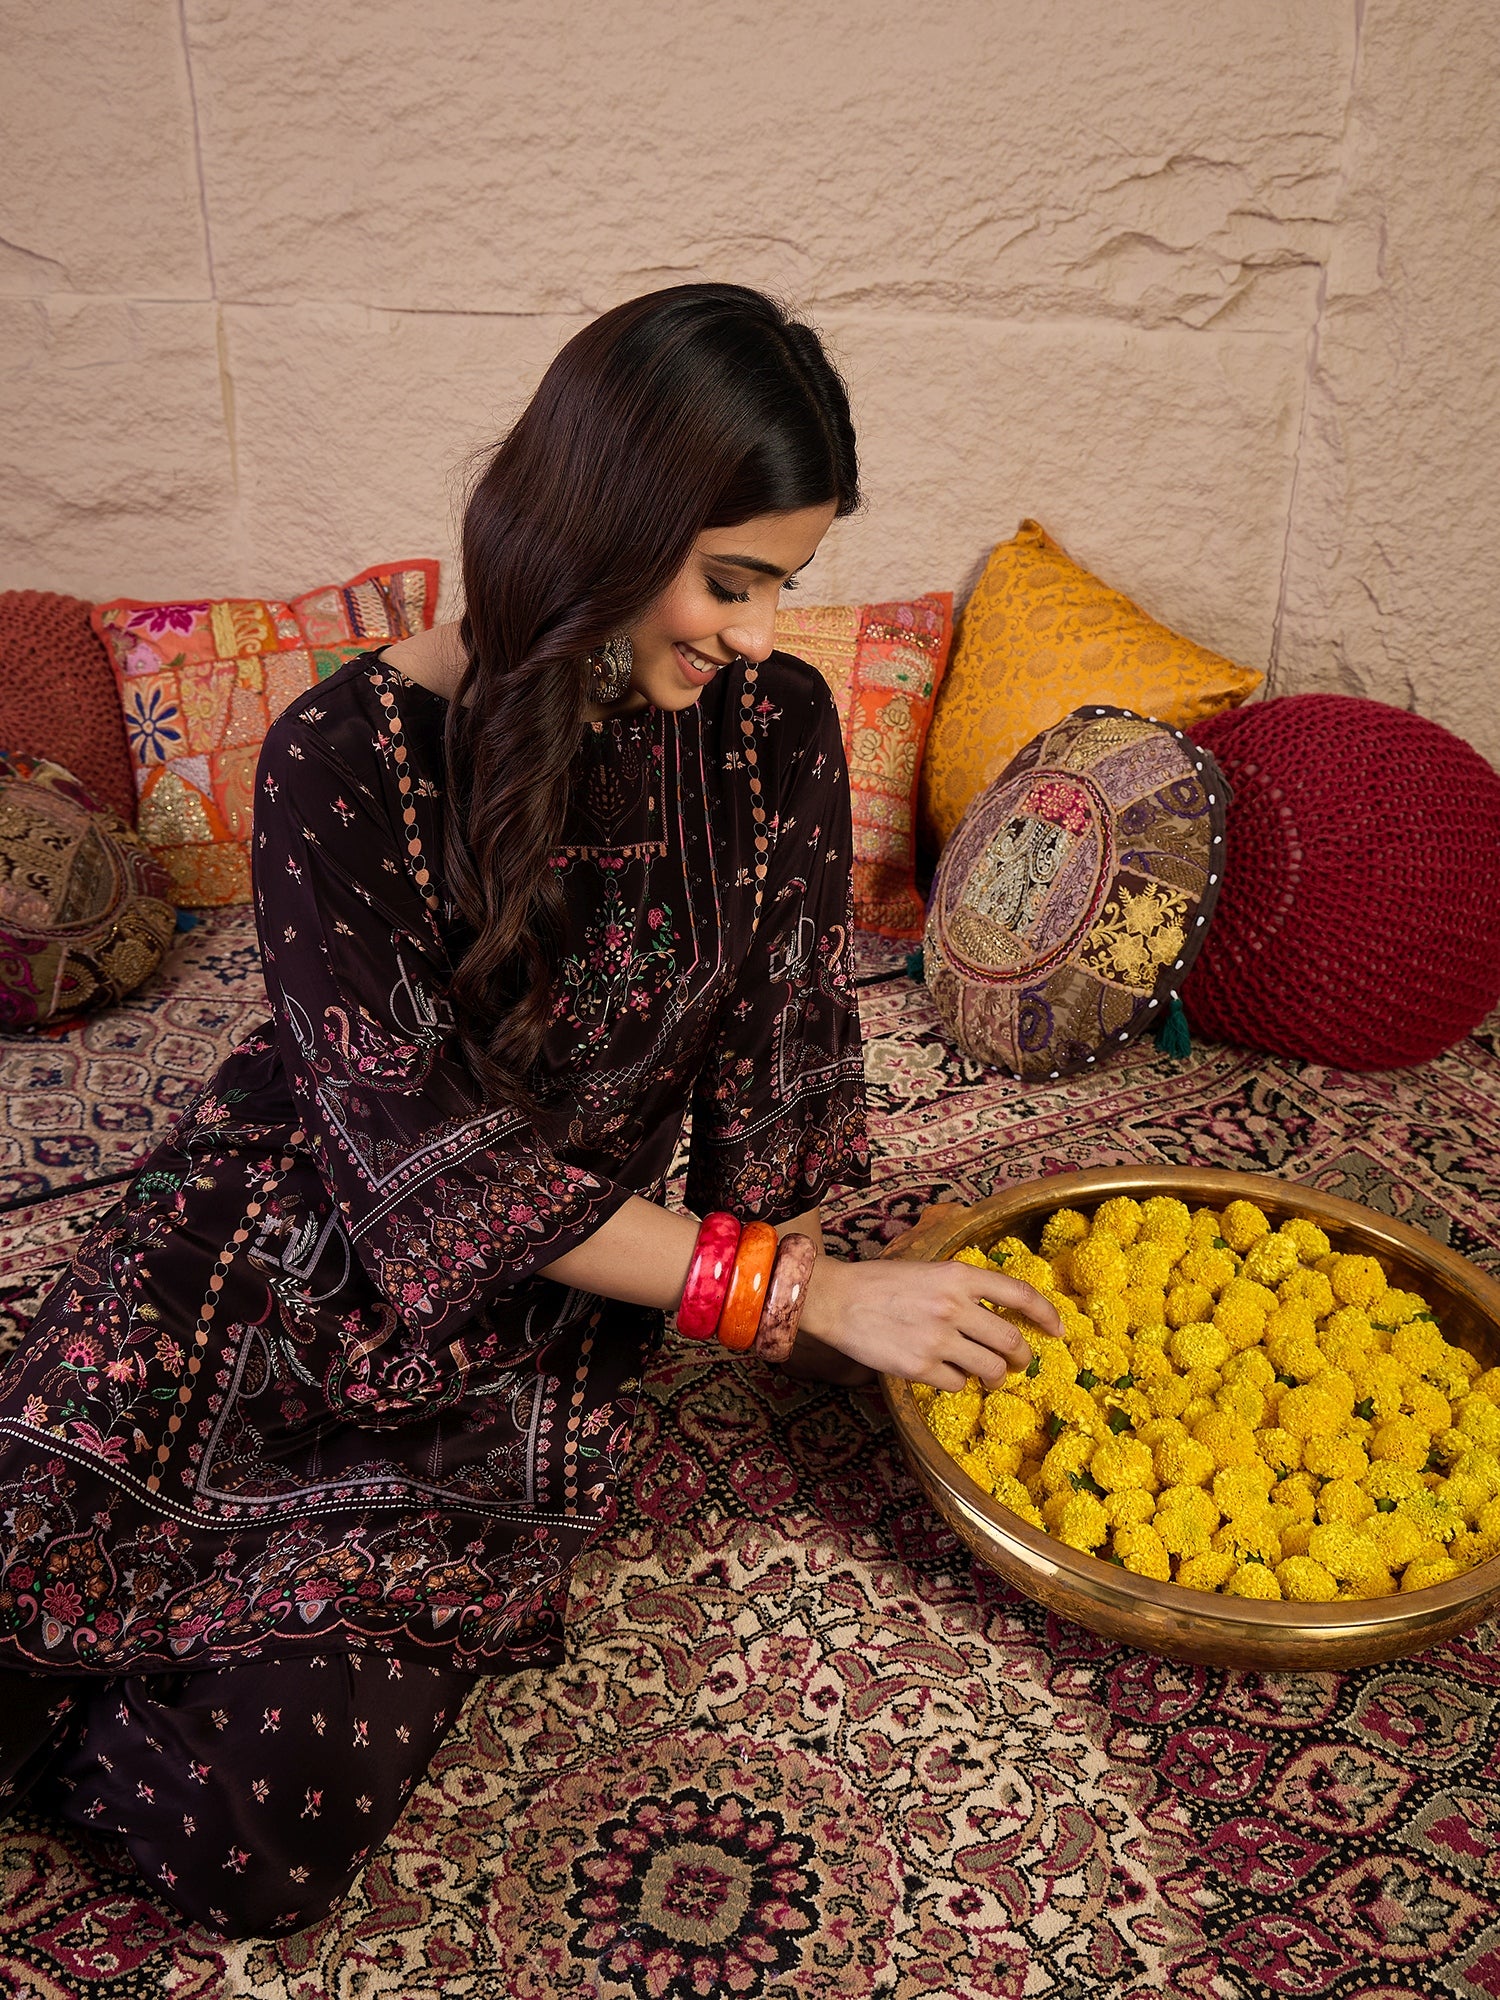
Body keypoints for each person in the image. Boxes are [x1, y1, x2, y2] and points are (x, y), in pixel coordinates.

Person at [0, 285, 1057, 1938]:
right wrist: (796, 1296)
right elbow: (422, 1175)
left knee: (262, 1833)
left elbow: (780, 1054)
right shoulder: (338, 755)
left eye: (784, 586)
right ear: (602, 522)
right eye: (731, 581)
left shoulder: (770, 728)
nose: (759, 633)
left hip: (547, 1289)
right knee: (29, 1559)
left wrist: (841, 1296)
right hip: (286, 1219)